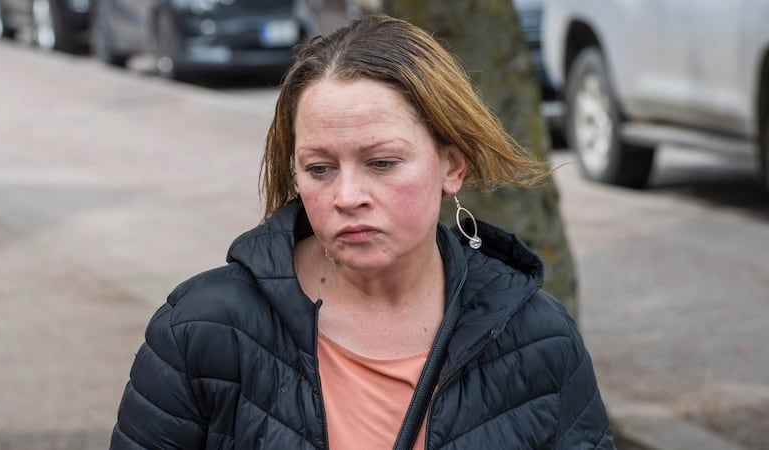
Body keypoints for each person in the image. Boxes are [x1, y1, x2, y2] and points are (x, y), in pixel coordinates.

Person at [110, 14, 614, 450]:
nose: (347, 196)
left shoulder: (539, 339)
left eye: (382, 162)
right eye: (319, 168)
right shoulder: (201, 330)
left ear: (452, 167)